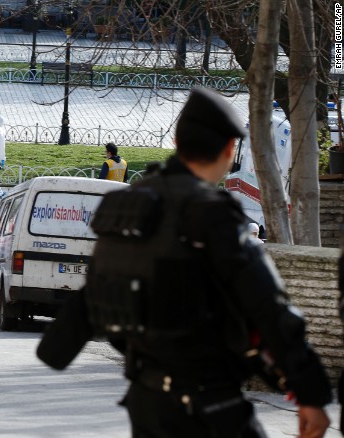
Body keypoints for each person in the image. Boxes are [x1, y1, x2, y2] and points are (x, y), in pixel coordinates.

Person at [38, 88, 331, 437]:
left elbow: (97, 289)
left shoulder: (127, 206)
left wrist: (58, 347)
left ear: (177, 140)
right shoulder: (213, 214)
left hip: (146, 402)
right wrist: (312, 394)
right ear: (229, 149)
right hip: (208, 405)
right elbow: (270, 308)